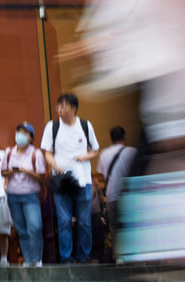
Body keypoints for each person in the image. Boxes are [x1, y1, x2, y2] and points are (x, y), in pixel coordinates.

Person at [42, 93, 98, 264]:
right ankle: (66, 257)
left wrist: (85, 157)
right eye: (58, 106)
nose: (59, 109)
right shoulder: (52, 126)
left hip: (83, 179)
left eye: (63, 106)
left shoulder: (85, 125)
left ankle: (84, 256)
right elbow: (47, 152)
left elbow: (95, 150)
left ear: (73, 109)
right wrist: (55, 165)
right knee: (64, 221)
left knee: (84, 222)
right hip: (61, 180)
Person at [1, 123, 46, 267]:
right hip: (13, 195)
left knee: (35, 226)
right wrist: (13, 171)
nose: (20, 136)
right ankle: (28, 259)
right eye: (19, 132)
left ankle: (37, 258)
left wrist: (26, 171)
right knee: (21, 229)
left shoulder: (36, 153)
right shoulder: (9, 152)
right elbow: (3, 172)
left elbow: (41, 176)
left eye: (25, 133)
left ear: (31, 138)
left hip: (30, 195)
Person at [96, 125, 135, 258]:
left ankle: (118, 257)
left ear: (111, 139)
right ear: (125, 137)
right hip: (129, 195)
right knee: (131, 226)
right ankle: (132, 255)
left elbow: (101, 177)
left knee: (114, 228)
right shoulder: (132, 152)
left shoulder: (104, 154)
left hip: (112, 196)